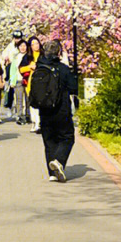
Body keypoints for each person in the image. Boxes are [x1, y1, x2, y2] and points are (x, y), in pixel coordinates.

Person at [28, 39, 79, 182]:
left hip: (44, 109)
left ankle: (52, 173)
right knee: (67, 137)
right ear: (58, 53)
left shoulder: (39, 68)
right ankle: (59, 161)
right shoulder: (62, 68)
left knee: (49, 140)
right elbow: (73, 88)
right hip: (61, 109)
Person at [22, 37, 43, 131]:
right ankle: (34, 122)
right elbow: (21, 69)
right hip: (30, 83)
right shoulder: (27, 57)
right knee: (32, 104)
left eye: (37, 43)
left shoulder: (43, 55)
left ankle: (39, 123)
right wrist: (30, 67)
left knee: (40, 104)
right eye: (33, 44)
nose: (36, 46)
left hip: (42, 83)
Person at [8, 37, 29, 125]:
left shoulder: (29, 56)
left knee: (28, 99)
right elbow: (13, 70)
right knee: (19, 99)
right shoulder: (16, 57)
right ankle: (19, 116)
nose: (23, 47)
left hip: (27, 80)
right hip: (18, 80)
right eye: (21, 46)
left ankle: (28, 115)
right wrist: (12, 81)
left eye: (24, 45)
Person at [2, 30, 24, 114]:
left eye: (19, 38)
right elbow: (4, 55)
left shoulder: (23, 45)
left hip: (21, 69)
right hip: (11, 69)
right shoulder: (10, 46)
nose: (17, 40)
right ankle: (9, 106)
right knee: (10, 89)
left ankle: (21, 109)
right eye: (16, 38)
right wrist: (6, 58)